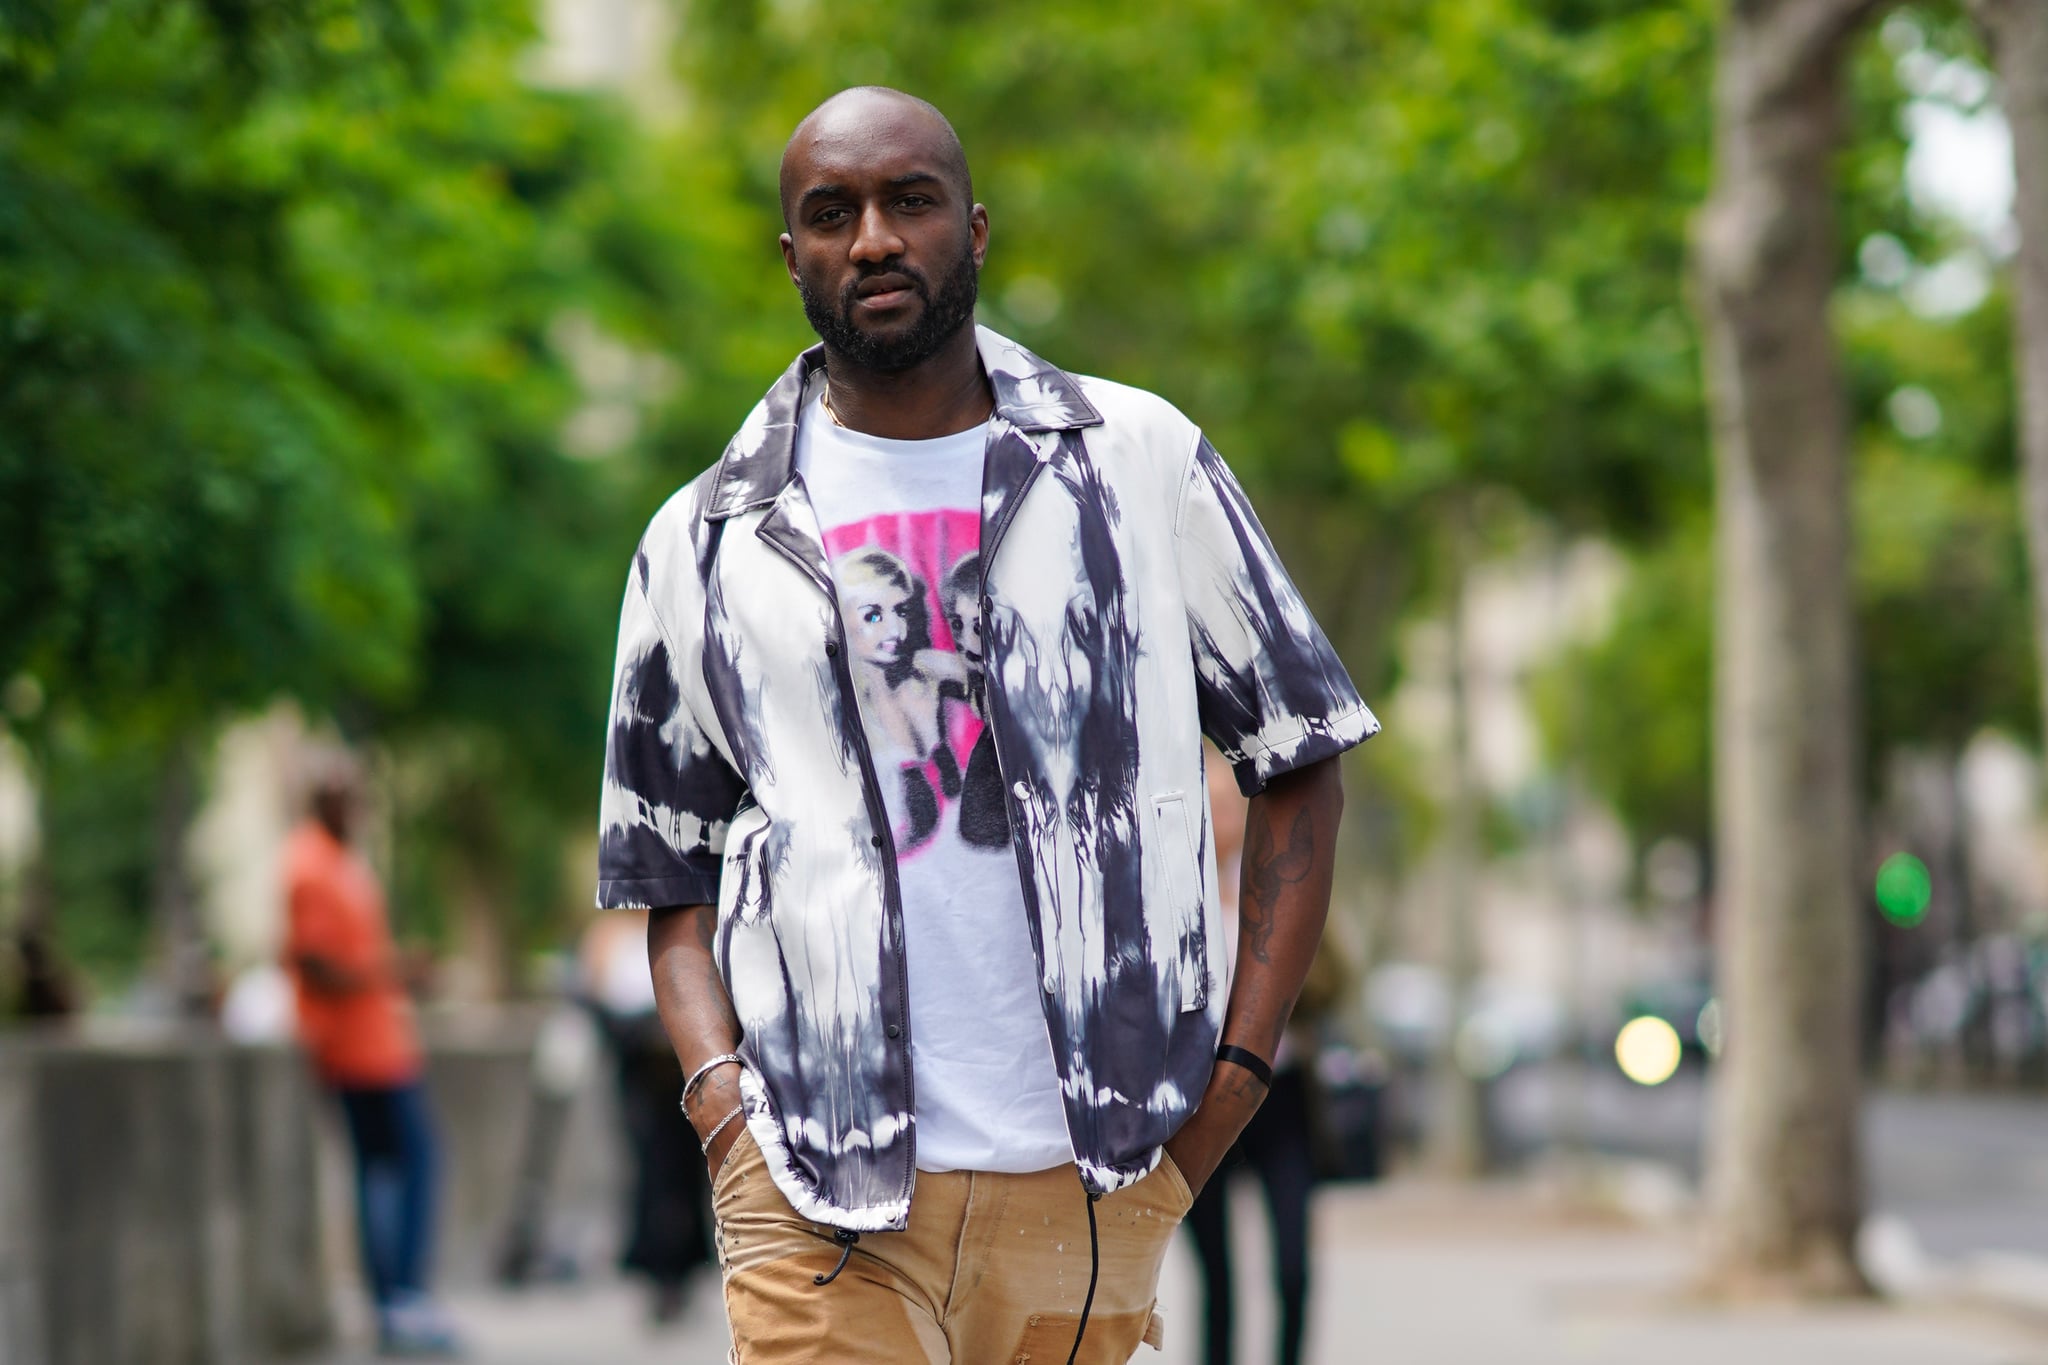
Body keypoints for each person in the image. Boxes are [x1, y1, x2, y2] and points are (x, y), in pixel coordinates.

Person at [596, 86, 1378, 1364]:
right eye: (830, 213)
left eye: (909, 201)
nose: (873, 240)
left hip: (1087, 1172)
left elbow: (1299, 755)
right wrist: (721, 1110)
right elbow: (663, 864)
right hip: (813, 1182)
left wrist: (1231, 1082)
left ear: (975, 224)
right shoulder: (705, 537)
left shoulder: (1136, 462)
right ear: (789, 254)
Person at [281, 758, 460, 1358]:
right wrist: (391, 971)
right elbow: (313, 963)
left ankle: (395, 1297)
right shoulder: (308, 865)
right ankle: (397, 1296)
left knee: (390, 1169)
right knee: (403, 1167)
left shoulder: (341, 861)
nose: (355, 811)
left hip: (383, 1046)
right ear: (323, 800)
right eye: (347, 799)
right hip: (354, 1051)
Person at [1185, 752, 1323, 1365]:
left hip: (1279, 1091)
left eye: (1227, 803)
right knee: (1217, 1275)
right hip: (1198, 1097)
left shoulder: (1277, 880)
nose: (1219, 817)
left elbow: (1332, 974)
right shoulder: (1173, 890)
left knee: (1293, 1265)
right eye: (1207, 804)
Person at [578, 907, 714, 1322]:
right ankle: (656, 1269)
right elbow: (593, 995)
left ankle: (686, 1266)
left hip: (684, 1066)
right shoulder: (610, 934)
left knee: (688, 1171)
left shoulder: (691, 921)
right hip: (638, 1069)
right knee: (649, 1170)